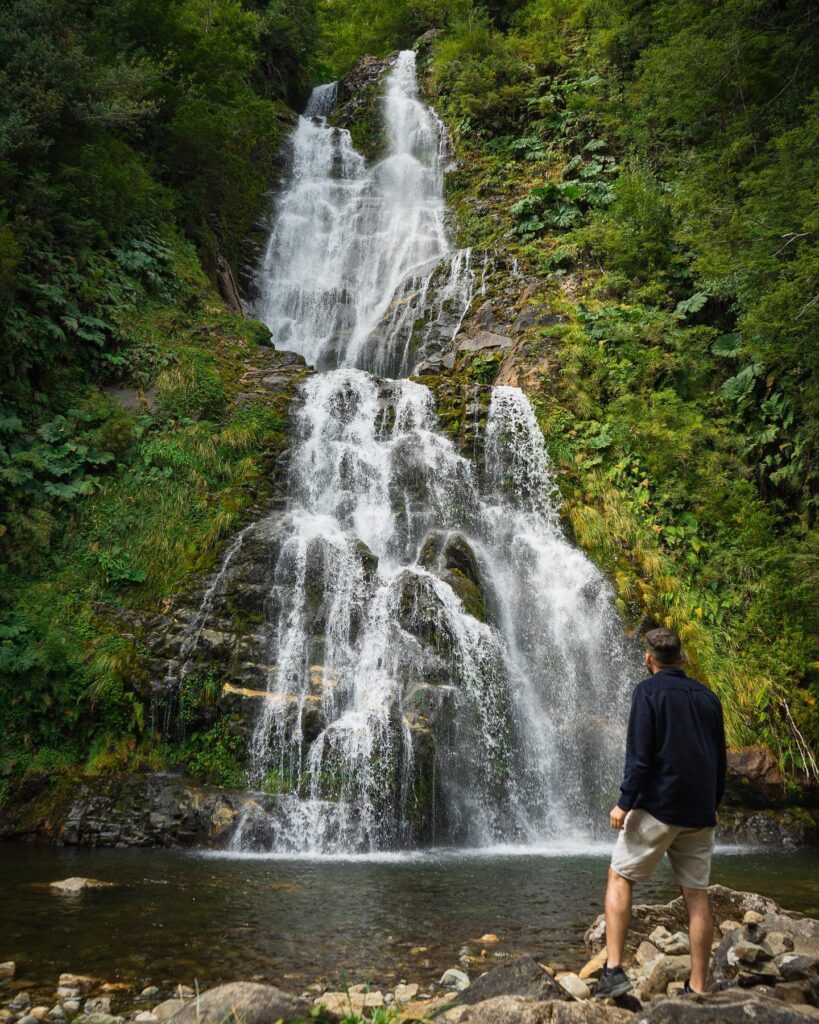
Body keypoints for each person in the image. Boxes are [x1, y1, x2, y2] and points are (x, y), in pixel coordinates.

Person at [595, 627, 727, 1000]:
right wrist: (711, 803)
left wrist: (624, 802)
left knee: (619, 876)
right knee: (697, 896)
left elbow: (640, 754)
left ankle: (613, 970)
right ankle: (697, 987)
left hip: (657, 807)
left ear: (648, 658)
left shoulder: (647, 691)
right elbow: (720, 759)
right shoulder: (708, 697)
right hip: (700, 812)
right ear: (681, 658)